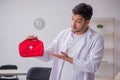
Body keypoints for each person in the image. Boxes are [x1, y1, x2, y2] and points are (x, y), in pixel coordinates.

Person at [27, 3, 104, 80]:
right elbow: (48, 55)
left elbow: (93, 66)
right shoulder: (64, 34)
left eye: (78, 22)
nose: (73, 24)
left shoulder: (96, 38)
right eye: (72, 19)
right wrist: (33, 47)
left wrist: (69, 59)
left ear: (87, 22)